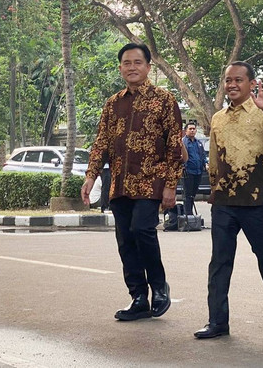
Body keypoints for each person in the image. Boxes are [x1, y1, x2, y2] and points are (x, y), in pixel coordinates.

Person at [81, 43, 183, 321]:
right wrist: (91, 177)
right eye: (127, 63)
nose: (132, 67)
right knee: (125, 239)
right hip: (120, 183)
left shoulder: (164, 100)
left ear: (148, 67)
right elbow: (101, 142)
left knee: (142, 229)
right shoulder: (113, 103)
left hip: (152, 181)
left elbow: (175, 145)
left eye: (138, 62)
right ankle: (138, 296)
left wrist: (171, 185)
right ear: (120, 68)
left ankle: (159, 287)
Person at [194, 61, 263, 339]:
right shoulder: (218, 118)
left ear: (250, 84)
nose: (232, 85)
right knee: (220, 261)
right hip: (224, 201)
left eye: (238, 80)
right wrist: (213, 186)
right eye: (228, 81)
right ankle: (217, 322)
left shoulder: (262, 113)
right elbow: (213, 156)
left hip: (256, 200)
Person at [182, 123, 207, 215]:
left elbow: (203, 155)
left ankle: (190, 213)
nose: (192, 130)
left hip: (198, 172)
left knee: (193, 194)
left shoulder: (198, 143)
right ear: (186, 131)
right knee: (187, 194)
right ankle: (187, 214)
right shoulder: (183, 142)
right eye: (190, 129)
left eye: (194, 129)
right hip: (188, 172)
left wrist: (205, 164)